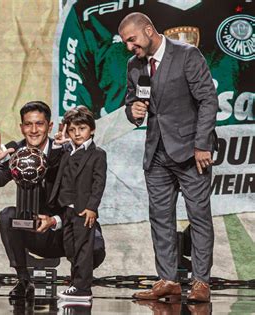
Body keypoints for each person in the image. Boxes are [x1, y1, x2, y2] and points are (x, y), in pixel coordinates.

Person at [118, 12, 218, 302]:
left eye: (132, 40)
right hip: (157, 153)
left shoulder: (187, 55)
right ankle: (168, 280)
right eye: (125, 43)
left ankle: (201, 282)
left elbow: (208, 100)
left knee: (199, 217)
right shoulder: (133, 65)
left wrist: (202, 145)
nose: (129, 47)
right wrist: (133, 112)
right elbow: (131, 101)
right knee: (160, 218)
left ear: (148, 30)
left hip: (190, 152)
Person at [0, 101, 106, 299]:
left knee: (96, 246)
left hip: (65, 226)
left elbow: (83, 193)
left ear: (50, 126)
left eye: (39, 124)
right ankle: (23, 280)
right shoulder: (14, 151)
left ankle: (78, 281)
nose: (33, 130)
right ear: (21, 127)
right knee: (7, 216)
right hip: (33, 229)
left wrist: (55, 220)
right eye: (28, 124)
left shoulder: (67, 149)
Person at [49, 106, 107, 302]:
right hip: (68, 208)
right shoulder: (67, 151)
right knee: (71, 247)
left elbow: (98, 184)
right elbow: (52, 164)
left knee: (83, 248)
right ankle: (76, 282)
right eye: (72, 130)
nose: (77, 133)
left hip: (84, 209)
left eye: (81, 128)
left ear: (91, 129)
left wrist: (92, 207)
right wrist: (57, 144)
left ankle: (83, 288)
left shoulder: (97, 154)